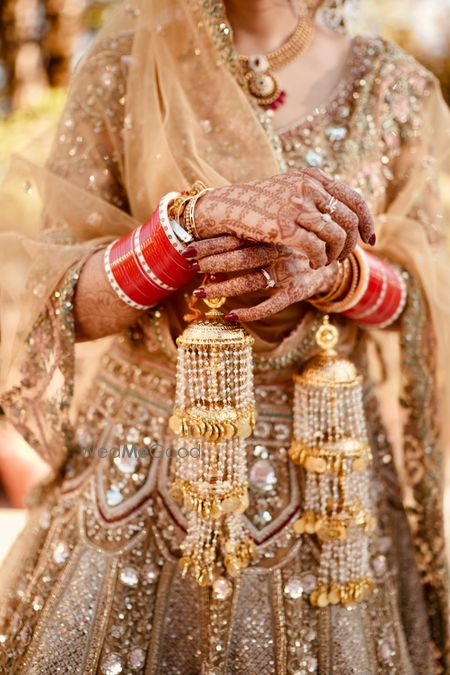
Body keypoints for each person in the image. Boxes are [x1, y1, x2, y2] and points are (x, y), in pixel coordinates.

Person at [0, 0, 449, 672]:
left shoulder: (398, 87)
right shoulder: (124, 65)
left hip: (327, 478)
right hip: (143, 471)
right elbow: (59, 302)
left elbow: (427, 297)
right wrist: (182, 233)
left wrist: (339, 275)